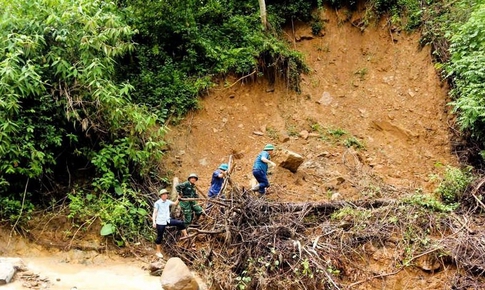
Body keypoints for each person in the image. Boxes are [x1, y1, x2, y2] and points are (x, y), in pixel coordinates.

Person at [152, 189, 187, 258]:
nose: (165, 195)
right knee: (160, 236)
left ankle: (186, 236)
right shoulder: (157, 203)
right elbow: (155, 212)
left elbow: (175, 203)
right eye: (164, 194)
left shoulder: (167, 201)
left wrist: (178, 198)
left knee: (180, 223)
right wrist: (154, 222)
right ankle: (158, 252)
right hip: (160, 222)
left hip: (167, 220)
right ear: (161, 196)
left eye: (166, 194)